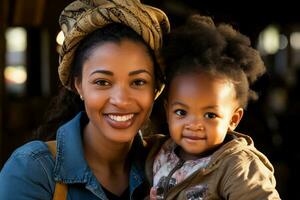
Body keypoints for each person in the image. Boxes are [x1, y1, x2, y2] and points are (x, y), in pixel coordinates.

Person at [0, 0, 170, 199]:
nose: (121, 100)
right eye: (102, 82)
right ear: (78, 85)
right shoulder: (33, 170)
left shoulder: (171, 163)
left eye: (138, 82)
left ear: (156, 88)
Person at [146, 15, 281, 200]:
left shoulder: (237, 166)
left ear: (233, 119)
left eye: (210, 115)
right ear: (168, 112)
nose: (193, 124)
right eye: (181, 112)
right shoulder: (158, 153)